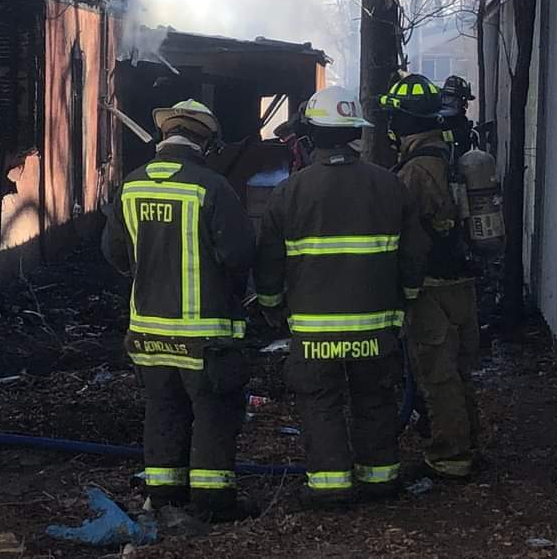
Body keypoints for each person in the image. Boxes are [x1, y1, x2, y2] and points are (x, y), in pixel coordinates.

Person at [254, 86, 427, 506]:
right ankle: (380, 479)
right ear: (354, 132)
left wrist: (271, 306)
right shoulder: (389, 185)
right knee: (376, 398)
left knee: (320, 401)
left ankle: (330, 487)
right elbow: (414, 254)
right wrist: (406, 300)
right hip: (376, 325)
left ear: (312, 133)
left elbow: (269, 261)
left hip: (314, 331)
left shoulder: (289, 192)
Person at [101, 99, 255, 520]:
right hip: (204, 336)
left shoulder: (131, 185)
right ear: (206, 143)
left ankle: (165, 494)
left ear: (166, 136)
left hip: (148, 333)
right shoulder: (212, 188)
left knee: (163, 408)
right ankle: (212, 499)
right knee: (213, 411)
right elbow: (238, 254)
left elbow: (114, 252)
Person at [380, 73, 481, 480]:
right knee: (457, 371)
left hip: (430, 286)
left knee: (437, 375)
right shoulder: (450, 152)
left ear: (404, 120)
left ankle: (450, 455)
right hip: (461, 282)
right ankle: (469, 442)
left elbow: (404, 232)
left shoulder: (415, 171)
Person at [439, 76, 478, 161]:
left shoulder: (458, 117)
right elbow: (439, 136)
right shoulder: (439, 118)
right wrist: (461, 133)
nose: (465, 104)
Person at [273, 100, 313, 173]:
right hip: (301, 169)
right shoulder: (296, 129)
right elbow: (277, 132)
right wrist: (292, 121)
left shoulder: (310, 131)